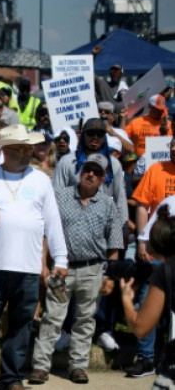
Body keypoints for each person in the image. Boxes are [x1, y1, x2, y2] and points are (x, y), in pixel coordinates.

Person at [0, 125, 68, 390]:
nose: (28, 153)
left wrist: (60, 260)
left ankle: (10, 378)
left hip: (28, 267)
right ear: (5, 150)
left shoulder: (40, 180)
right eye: (21, 148)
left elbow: (53, 222)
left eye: (29, 148)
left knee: (21, 325)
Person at [28, 153, 123, 385]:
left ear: (103, 179)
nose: (91, 174)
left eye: (97, 172)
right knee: (52, 318)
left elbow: (114, 244)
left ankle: (78, 366)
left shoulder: (108, 204)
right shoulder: (59, 196)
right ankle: (40, 366)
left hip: (93, 269)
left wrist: (110, 275)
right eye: (87, 169)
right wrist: (43, 265)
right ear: (80, 171)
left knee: (85, 320)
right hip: (62, 269)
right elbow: (46, 234)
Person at [121, 197, 175, 384]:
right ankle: (147, 357)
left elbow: (141, 327)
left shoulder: (165, 272)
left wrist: (127, 300)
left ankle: (146, 358)